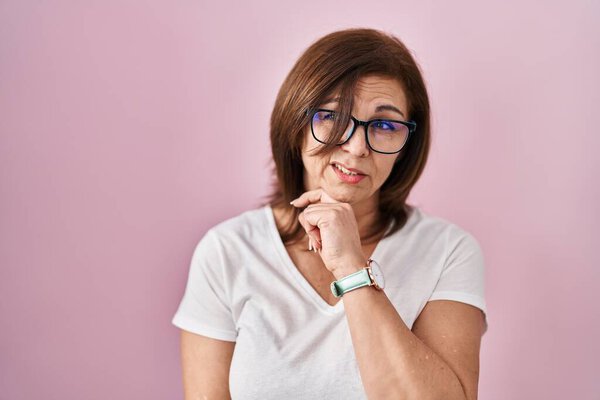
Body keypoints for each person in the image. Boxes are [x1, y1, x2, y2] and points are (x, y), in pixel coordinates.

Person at [172, 27, 488, 399]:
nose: (356, 148)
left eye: (385, 125)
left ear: (407, 144)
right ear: (295, 124)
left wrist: (352, 269)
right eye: (331, 116)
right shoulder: (227, 251)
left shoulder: (447, 251)